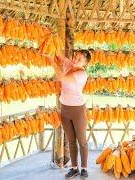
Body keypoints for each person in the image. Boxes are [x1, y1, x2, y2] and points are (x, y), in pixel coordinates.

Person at [45, 50, 91, 179]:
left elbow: (61, 77)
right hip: (65, 109)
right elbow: (58, 52)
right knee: (71, 141)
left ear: (85, 63)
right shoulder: (68, 64)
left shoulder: (82, 74)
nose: (76, 59)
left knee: (82, 141)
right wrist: (51, 44)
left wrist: (51, 60)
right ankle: (74, 168)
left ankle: (84, 169)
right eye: (76, 56)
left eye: (80, 59)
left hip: (78, 110)